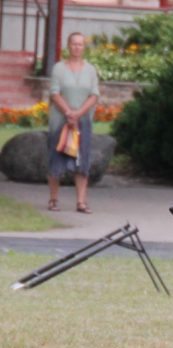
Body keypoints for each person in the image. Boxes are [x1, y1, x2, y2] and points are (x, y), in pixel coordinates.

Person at [47, 32, 99, 214]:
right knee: (56, 160)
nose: (77, 47)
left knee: (82, 161)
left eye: (80, 44)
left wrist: (77, 114)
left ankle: (81, 202)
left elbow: (94, 95)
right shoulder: (59, 69)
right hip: (60, 122)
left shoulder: (90, 70)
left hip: (82, 122)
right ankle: (53, 200)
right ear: (68, 46)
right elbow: (55, 93)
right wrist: (68, 113)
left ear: (84, 47)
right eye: (74, 44)